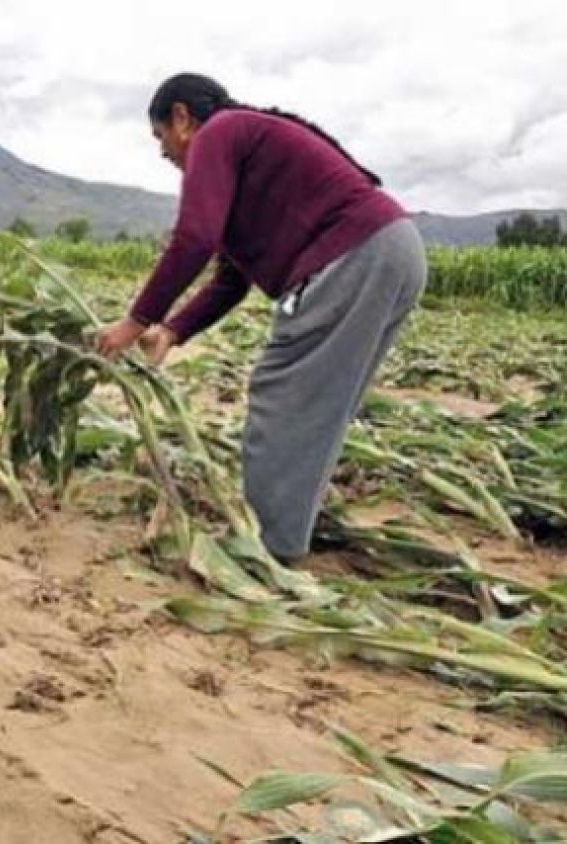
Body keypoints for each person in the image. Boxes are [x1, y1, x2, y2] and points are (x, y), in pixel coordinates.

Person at [96, 73, 426, 563]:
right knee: (320, 405)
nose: (163, 152)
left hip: (354, 254)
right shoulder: (247, 148)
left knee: (281, 392)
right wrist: (174, 330)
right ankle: (290, 527)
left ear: (183, 118)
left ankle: (268, 547)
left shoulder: (219, 132)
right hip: (394, 248)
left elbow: (194, 239)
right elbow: (231, 279)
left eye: (160, 136)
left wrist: (136, 321)